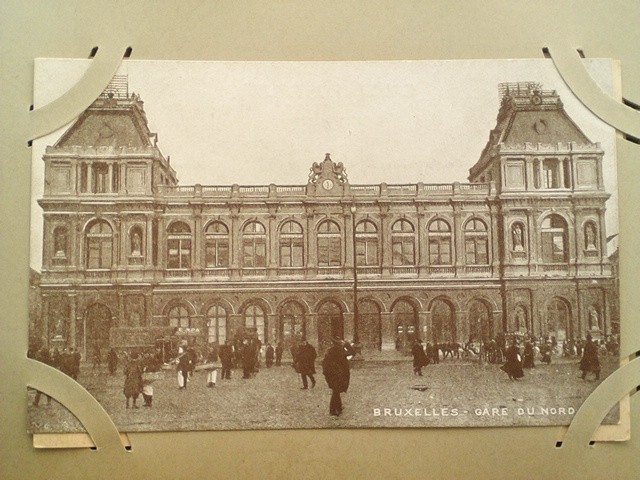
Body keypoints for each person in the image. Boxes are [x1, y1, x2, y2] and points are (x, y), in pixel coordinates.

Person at [322, 338, 354, 417]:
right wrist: (347, 345)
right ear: (339, 344)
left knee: (336, 391)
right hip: (338, 374)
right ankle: (333, 410)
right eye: (341, 343)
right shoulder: (340, 351)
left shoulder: (331, 351)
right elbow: (352, 352)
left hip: (333, 374)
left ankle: (338, 408)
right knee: (336, 391)